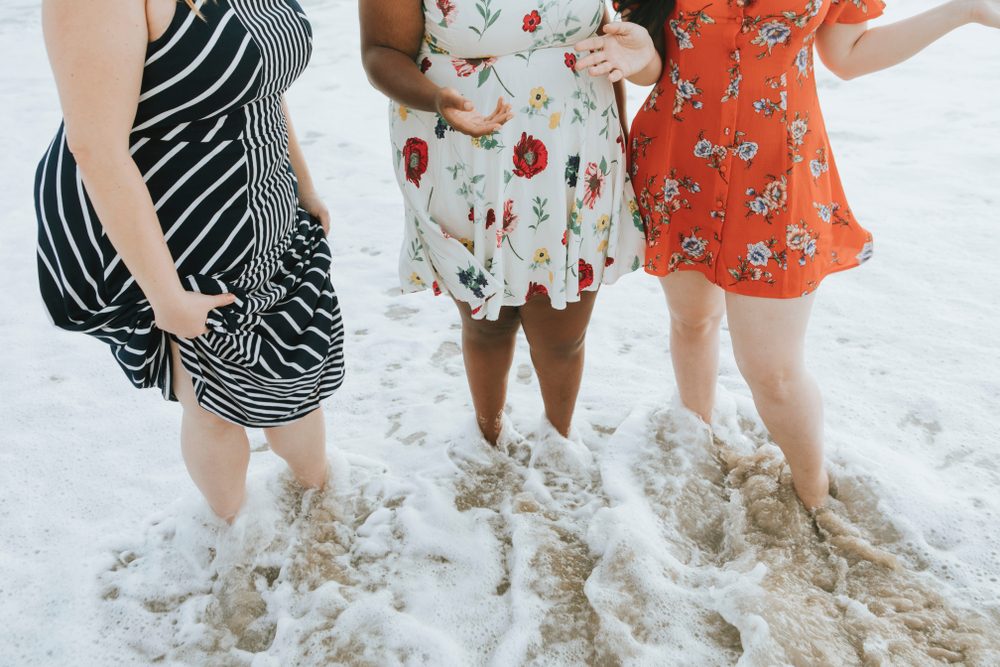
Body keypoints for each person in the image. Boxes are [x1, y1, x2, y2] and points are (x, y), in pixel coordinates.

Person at [574, 0, 1000, 508]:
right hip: (680, 161)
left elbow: (851, 54)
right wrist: (635, 59)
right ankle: (696, 451)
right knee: (692, 321)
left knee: (773, 372)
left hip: (778, 175)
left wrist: (965, 12)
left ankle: (815, 499)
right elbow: (653, 60)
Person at [35, 0, 346, 522]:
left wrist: (303, 182)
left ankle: (324, 511)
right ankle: (236, 539)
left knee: (297, 381)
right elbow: (94, 147)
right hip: (183, 238)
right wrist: (165, 297)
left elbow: (260, 74)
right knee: (213, 407)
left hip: (272, 206)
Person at [360, 0, 646, 446]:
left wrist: (622, 144)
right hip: (463, 152)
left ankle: (560, 448)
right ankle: (488, 441)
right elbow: (380, 50)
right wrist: (437, 100)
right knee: (486, 322)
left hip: (578, 149)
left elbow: (602, 39)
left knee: (563, 332)